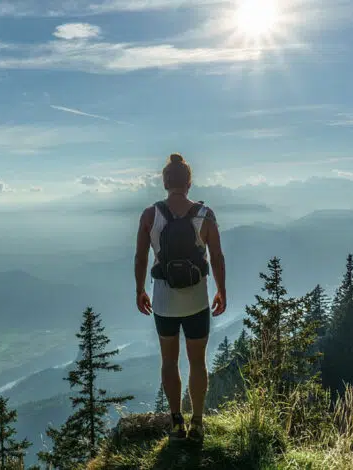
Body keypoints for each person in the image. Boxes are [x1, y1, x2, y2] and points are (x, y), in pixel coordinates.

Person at [134, 153, 227, 444]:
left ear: (164, 182)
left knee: (169, 361)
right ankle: (197, 422)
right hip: (197, 300)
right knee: (197, 363)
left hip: (164, 301)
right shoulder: (206, 215)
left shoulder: (151, 215)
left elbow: (140, 256)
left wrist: (140, 289)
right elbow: (217, 256)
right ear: (189, 182)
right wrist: (222, 290)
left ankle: (176, 423)